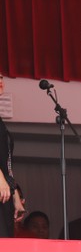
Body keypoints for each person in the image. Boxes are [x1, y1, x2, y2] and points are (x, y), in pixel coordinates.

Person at [0, 72, 26, 237]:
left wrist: (15, 193)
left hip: (4, 192)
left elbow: (5, 161)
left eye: (1, 78)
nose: (0, 82)